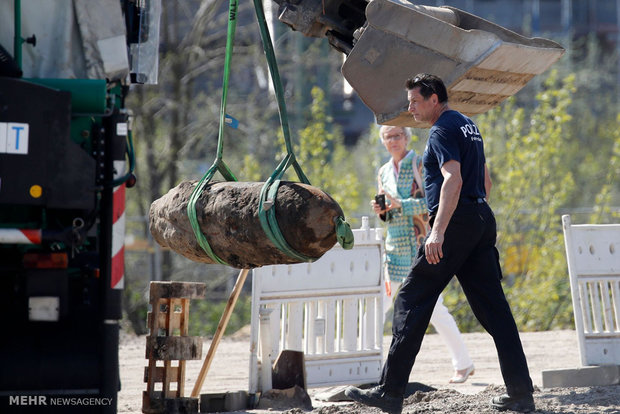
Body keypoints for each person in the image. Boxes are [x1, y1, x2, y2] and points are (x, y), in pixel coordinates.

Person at [345, 73, 535, 414]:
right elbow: (484, 179)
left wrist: (439, 231)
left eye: (416, 102)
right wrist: (474, 217)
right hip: (478, 218)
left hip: (456, 223)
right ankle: (521, 394)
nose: (410, 108)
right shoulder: (468, 125)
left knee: (410, 298)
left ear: (435, 99)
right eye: (409, 103)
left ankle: (390, 394)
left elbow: (453, 179)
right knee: (496, 310)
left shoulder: (443, 128)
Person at [373, 124, 474, 384]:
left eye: (397, 135)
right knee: (380, 305)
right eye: (388, 136)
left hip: (420, 244)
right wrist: (382, 210)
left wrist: (401, 205)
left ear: (406, 138)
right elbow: (388, 214)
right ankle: (371, 365)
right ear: (383, 141)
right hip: (394, 247)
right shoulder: (383, 171)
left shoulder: (419, 163)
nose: (393, 140)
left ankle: (463, 363)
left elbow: (435, 202)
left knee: (434, 308)